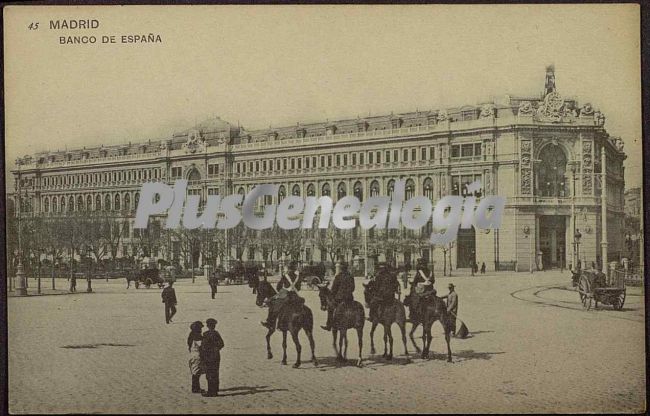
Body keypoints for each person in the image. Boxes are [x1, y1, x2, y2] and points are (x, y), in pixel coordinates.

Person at [261, 262, 303, 329]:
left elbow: (278, 287)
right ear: (295, 269)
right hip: (295, 295)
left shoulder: (285, 276)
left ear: (289, 269)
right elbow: (299, 288)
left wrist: (283, 290)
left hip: (286, 295)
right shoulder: (298, 277)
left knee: (273, 307)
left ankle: (270, 322)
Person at [321, 261, 355, 331]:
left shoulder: (338, 277)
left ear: (341, 269)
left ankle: (329, 325)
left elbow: (334, 289)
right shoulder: (351, 276)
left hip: (340, 299)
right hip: (349, 298)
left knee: (330, 309)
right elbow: (353, 288)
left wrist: (333, 294)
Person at [200, 318, 224, 397]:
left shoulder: (205, 334)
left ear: (207, 326)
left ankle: (211, 392)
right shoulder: (216, 333)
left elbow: (203, 346)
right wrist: (216, 348)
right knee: (215, 373)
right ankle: (215, 389)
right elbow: (222, 344)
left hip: (208, 356)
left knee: (209, 374)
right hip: (216, 356)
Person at [406, 258, 435, 323]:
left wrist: (412, 283)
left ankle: (412, 316)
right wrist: (428, 282)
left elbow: (415, 281)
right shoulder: (431, 272)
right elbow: (433, 281)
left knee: (411, 298)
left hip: (421, 290)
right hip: (430, 289)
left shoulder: (419, 272)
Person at [187, 321, 204, 393]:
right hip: (197, 355)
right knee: (197, 372)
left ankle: (195, 388)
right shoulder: (197, 336)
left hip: (192, 354)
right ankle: (195, 388)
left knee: (195, 372)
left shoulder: (191, 335)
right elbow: (201, 345)